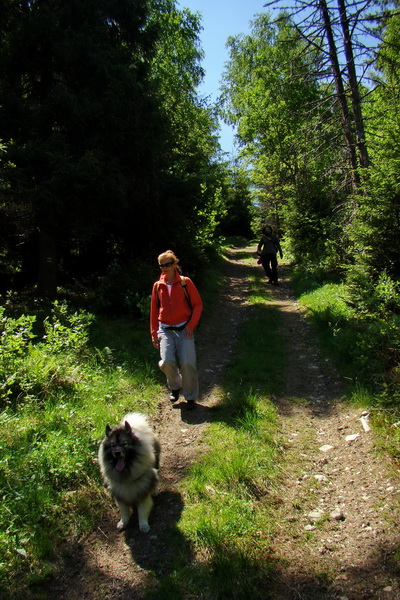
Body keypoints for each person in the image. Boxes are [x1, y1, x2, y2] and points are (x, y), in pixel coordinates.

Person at [150, 250, 203, 409]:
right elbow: (153, 311)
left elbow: (197, 304)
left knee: (187, 363)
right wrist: (154, 333)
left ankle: (190, 396)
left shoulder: (185, 282)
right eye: (161, 265)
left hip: (183, 328)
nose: (164, 268)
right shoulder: (158, 286)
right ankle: (175, 386)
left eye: (167, 264)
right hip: (165, 329)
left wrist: (191, 325)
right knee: (166, 362)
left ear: (174, 264)